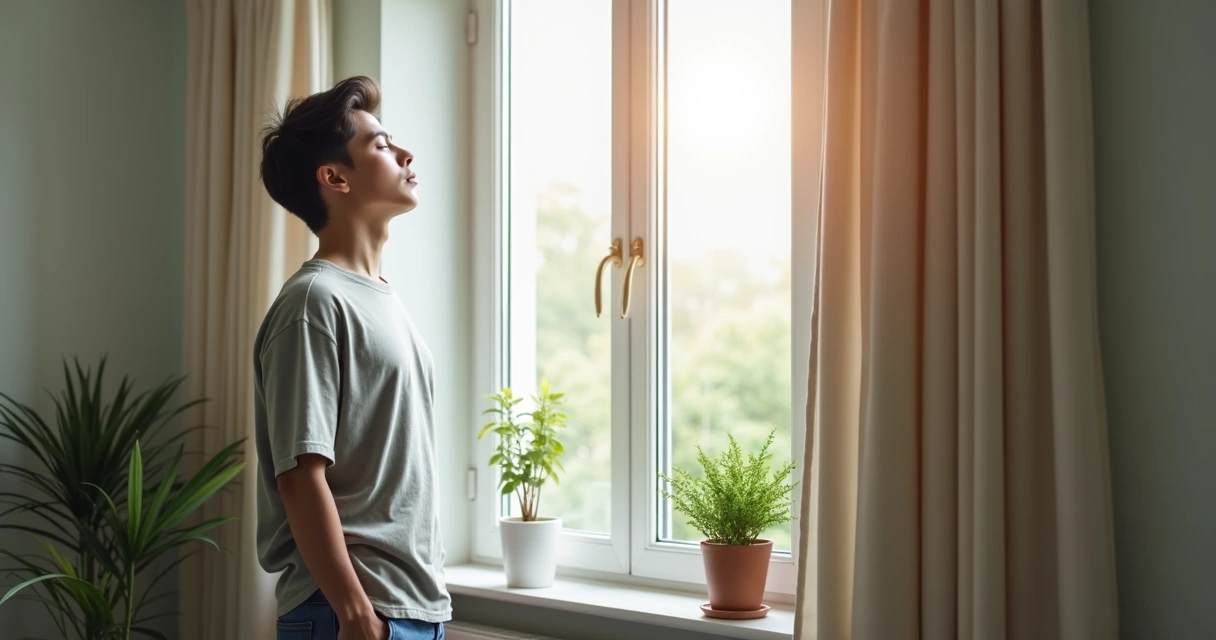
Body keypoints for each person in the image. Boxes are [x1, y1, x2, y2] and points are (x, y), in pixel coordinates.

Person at [253, 75, 450, 640]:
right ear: (334, 177)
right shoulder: (313, 302)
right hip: (349, 614)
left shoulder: (384, 298)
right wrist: (356, 611)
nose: (406, 153)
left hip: (411, 610)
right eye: (383, 145)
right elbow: (299, 475)